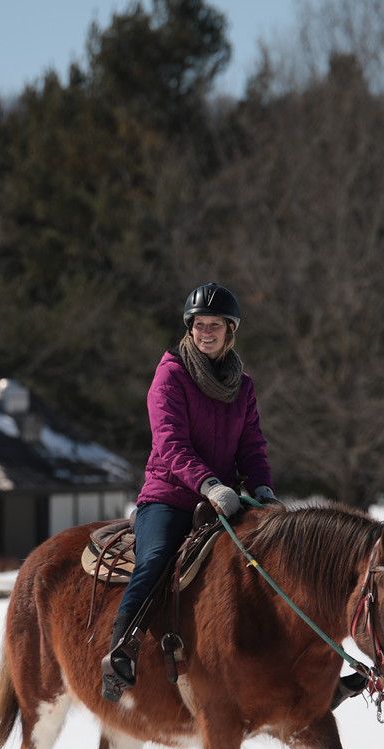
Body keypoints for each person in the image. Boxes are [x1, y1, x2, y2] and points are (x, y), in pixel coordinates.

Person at [101, 282, 277, 701]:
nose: (206, 332)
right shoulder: (171, 375)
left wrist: (264, 489)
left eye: (215, 325)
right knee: (157, 558)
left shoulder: (243, 385)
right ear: (189, 327)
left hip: (226, 500)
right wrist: (209, 484)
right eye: (200, 324)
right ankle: (120, 649)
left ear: (230, 331)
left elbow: (252, 445)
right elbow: (170, 443)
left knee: (275, 555)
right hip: (169, 496)